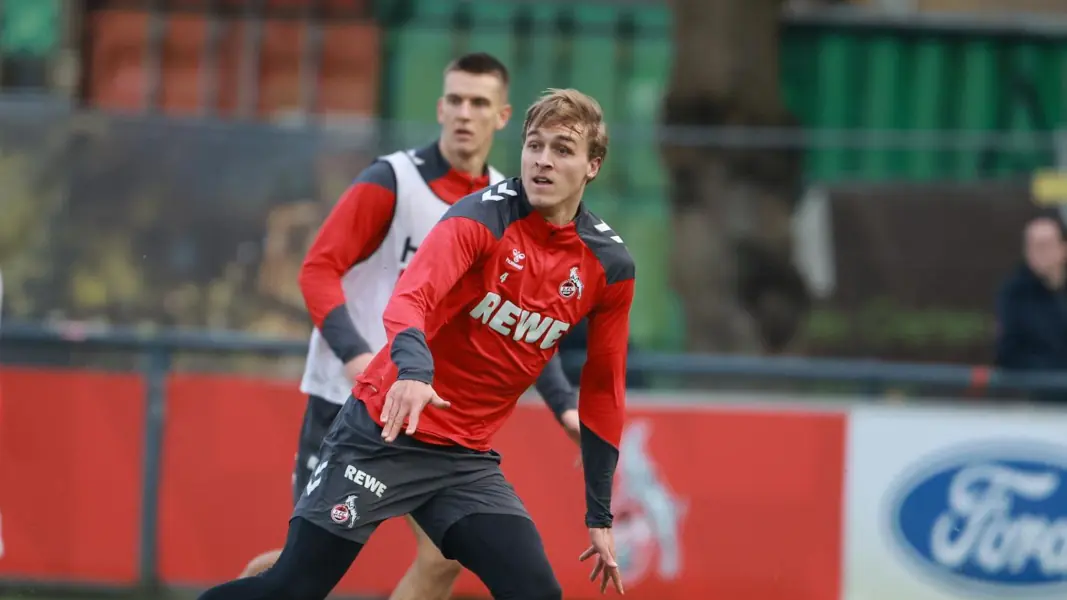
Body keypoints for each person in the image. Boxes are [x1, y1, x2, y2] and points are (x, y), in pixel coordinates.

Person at [198, 87, 633, 600]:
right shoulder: (480, 217)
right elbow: (409, 299)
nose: (543, 160)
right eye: (534, 145)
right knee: (292, 586)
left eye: (562, 150)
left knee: (535, 591)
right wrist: (412, 373)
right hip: (383, 432)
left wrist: (599, 516)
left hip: (464, 461)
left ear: (592, 167)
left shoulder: (608, 264)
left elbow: (604, 391)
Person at [994, 215, 1067, 389]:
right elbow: (1007, 354)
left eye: (1044, 245)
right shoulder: (1014, 294)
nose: (1038, 252)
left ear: (1063, 248)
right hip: (1036, 398)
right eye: (1032, 245)